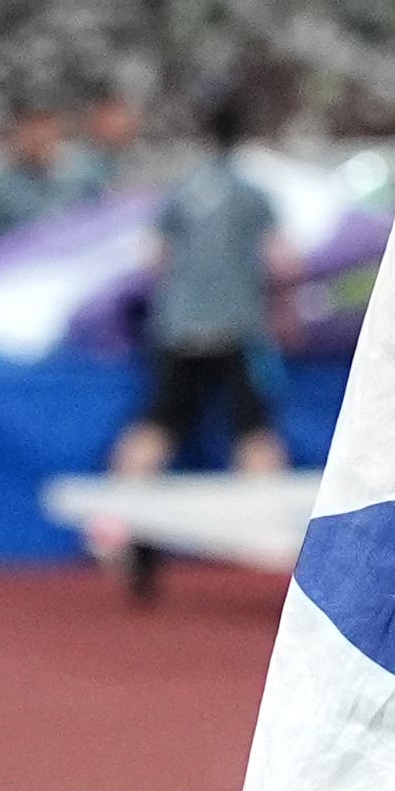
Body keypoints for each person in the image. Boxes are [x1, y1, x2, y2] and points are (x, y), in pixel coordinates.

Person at [98, 85, 292, 599]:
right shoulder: (253, 194)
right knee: (253, 430)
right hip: (235, 327)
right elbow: (282, 262)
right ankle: (269, 540)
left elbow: (153, 257)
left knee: (157, 424)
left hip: (179, 328)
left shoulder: (180, 189)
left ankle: (119, 528)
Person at [0, 97, 80, 244]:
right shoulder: (3, 192)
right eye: (32, 129)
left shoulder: (78, 183)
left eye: (46, 127)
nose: (40, 137)